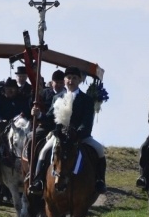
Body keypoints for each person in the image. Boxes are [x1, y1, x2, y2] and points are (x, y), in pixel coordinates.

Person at [28, 66, 106, 195]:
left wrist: (77, 133)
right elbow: (50, 118)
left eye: (74, 78)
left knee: (99, 149)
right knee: (43, 152)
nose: (71, 81)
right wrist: (39, 115)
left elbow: (86, 122)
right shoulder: (57, 97)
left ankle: (99, 181)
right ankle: (38, 181)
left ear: (79, 80)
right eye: (68, 78)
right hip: (60, 135)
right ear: (65, 80)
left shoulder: (86, 100)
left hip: (80, 136)